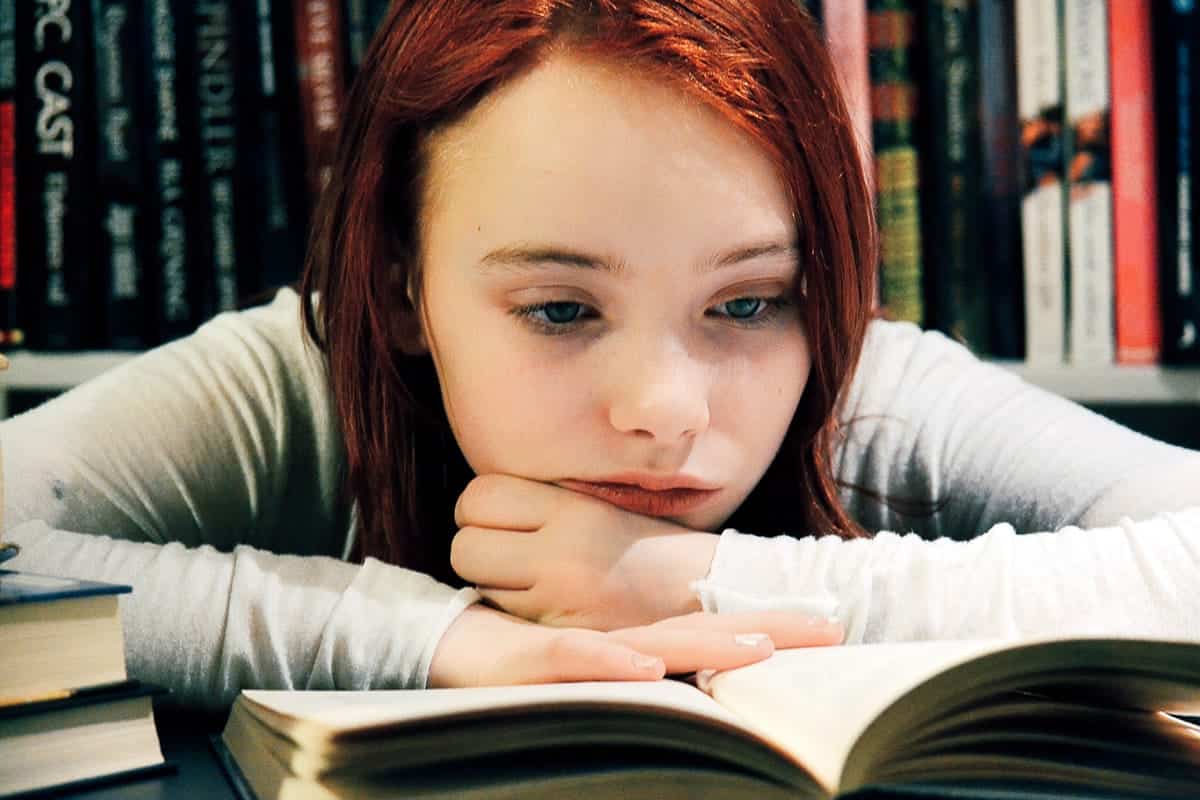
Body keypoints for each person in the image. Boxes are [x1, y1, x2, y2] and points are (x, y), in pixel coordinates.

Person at [3, 0, 1199, 710]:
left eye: (748, 302)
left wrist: (707, 582)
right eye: (562, 310)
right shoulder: (297, 379)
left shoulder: (864, 390)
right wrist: (442, 641)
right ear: (400, 285)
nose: (665, 411)